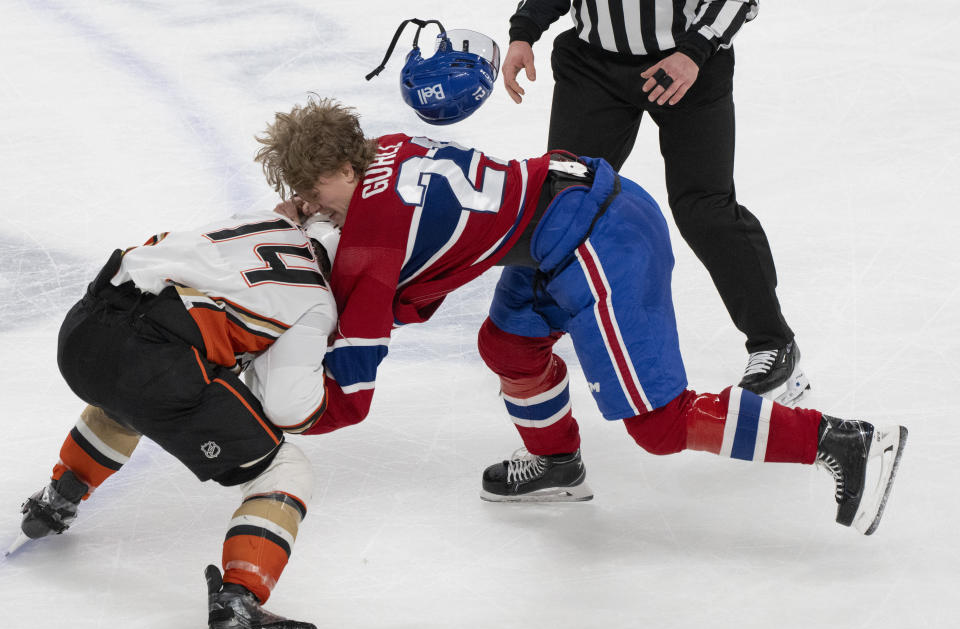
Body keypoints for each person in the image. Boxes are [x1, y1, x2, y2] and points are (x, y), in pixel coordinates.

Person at [254, 96, 906, 536]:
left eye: (315, 193)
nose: (313, 207)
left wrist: (260, 408)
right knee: (507, 344)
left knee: (658, 423)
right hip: (563, 214)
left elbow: (351, 394)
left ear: (346, 166)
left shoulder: (370, 240)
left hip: (599, 238)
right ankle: (557, 464)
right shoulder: (387, 146)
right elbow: (423, 258)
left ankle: (838, 439)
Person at [9, 210, 338, 629]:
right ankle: (239, 605)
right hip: (156, 363)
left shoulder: (265, 220)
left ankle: (58, 497)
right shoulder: (318, 298)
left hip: (86, 326)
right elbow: (287, 408)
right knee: (284, 468)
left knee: (125, 401)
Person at [499, 1, 809, 414]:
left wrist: (695, 49)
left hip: (690, 65)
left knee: (704, 208)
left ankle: (774, 342)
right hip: (593, 68)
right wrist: (524, 31)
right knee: (562, 206)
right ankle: (526, 347)